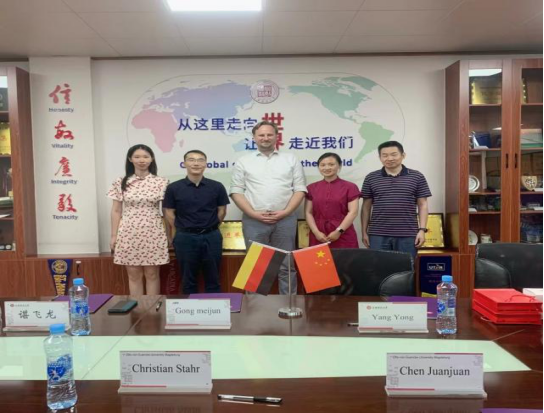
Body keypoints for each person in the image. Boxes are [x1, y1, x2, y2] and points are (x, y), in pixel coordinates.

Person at [230, 121, 307, 295]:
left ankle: (288, 304)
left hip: (285, 220)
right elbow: (236, 191)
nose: (265, 138)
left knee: (287, 265)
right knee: (255, 267)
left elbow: (300, 189)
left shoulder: (290, 159)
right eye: (261, 135)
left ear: (276, 136)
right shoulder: (243, 161)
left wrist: (286, 212)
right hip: (254, 221)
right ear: (254, 138)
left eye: (269, 134)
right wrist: (253, 214)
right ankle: (255, 307)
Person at [163, 150, 230, 294]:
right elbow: (169, 213)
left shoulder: (217, 186)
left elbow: (222, 211)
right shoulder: (173, 188)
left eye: (200, 160)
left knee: (213, 279)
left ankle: (214, 308)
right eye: (191, 160)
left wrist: (209, 226)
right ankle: (189, 308)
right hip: (185, 238)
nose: (196, 163)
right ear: (184, 163)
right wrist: (183, 228)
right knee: (188, 280)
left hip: (211, 236)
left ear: (205, 164)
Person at [108, 144, 169, 295]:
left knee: (152, 274)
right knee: (134, 275)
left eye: (145, 156)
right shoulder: (120, 182)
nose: (142, 160)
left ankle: (153, 308)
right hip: (128, 232)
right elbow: (116, 210)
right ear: (130, 159)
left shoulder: (161, 182)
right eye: (137, 157)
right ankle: (137, 308)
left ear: (152, 159)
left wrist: (168, 234)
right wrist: (114, 235)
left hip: (153, 231)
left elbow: (166, 211)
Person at [361, 141, 431, 260]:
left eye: (394, 154)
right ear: (380, 157)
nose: (389, 158)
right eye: (385, 155)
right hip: (378, 234)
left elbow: (423, 205)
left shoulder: (417, 176)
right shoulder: (371, 177)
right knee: (379, 268)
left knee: (405, 268)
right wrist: (364, 232)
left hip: (408, 234)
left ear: (403, 155)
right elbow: (366, 207)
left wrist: (422, 230)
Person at [305, 153, 360, 248]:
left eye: (331, 164)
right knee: (319, 258)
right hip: (319, 234)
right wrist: (316, 232)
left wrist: (339, 231)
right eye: (322, 165)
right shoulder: (311, 188)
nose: (326, 168)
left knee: (346, 257)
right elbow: (308, 212)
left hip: (343, 232)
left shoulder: (350, 187)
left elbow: (353, 212)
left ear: (339, 166)